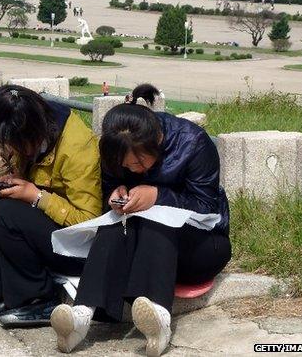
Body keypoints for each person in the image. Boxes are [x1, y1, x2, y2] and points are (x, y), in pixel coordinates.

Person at [50, 84, 231, 356]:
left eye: (139, 163)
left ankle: (159, 319)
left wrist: (158, 195)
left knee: (156, 220)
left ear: (157, 140)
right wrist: (115, 195)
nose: (133, 170)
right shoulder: (115, 151)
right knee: (115, 223)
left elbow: (207, 207)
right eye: (126, 166)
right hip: (141, 252)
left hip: (201, 246)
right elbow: (110, 186)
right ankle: (81, 315)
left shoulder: (193, 142)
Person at [0, 85, 103, 319]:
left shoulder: (76, 146)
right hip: (46, 226)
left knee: (4, 212)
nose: (6, 150)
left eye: (7, 145)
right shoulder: (23, 126)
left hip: (75, 245)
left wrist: (36, 196)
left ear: (27, 135)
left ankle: (39, 298)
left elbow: (89, 222)